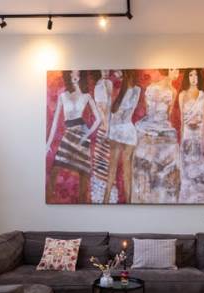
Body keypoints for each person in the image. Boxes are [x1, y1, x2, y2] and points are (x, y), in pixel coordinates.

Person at [46, 70, 101, 203]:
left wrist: (86, 135)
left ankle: (83, 205)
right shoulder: (63, 96)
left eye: (77, 74)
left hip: (82, 135)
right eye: (71, 73)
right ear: (68, 75)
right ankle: (48, 199)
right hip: (69, 134)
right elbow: (54, 122)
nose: (74, 77)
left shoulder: (87, 96)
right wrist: (48, 144)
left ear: (81, 76)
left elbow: (98, 119)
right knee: (55, 168)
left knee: (83, 173)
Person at [132, 68, 180, 203]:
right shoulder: (154, 88)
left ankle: (162, 195)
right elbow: (152, 112)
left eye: (178, 70)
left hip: (161, 127)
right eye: (174, 69)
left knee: (168, 156)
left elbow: (167, 114)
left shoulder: (172, 91)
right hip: (152, 126)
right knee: (149, 162)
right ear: (168, 71)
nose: (176, 73)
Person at [103, 70, 141, 203]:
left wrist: (109, 132)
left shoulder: (134, 90)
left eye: (119, 73)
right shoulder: (116, 89)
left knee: (124, 171)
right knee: (115, 169)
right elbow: (111, 114)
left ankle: (125, 202)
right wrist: (108, 132)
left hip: (124, 131)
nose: (116, 75)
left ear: (126, 74)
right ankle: (106, 200)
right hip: (119, 131)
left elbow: (121, 114)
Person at [178, 68, 204, 203]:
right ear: (187, 77)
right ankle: (187, 199)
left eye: (196, 75)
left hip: (198, 136)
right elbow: (181, 120)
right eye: (191, 75)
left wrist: (203, 141)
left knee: (198, 169)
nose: (193, 78)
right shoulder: (182, 95)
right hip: (187, 136)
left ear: (199, 77)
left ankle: (199, 199)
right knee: (187, 169)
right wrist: (181, 141)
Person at [90, 70, 116, 203]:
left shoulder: (109, 83)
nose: (106, 71)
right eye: (103, 69)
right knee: (102, 161)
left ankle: (110, 196)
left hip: (111, 127)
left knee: (110, 162)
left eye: (107, 69)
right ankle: (99, 196)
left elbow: (110, 107)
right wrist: (106, 127)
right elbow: (101, 109)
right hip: (104, 128)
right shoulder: (98, 85)